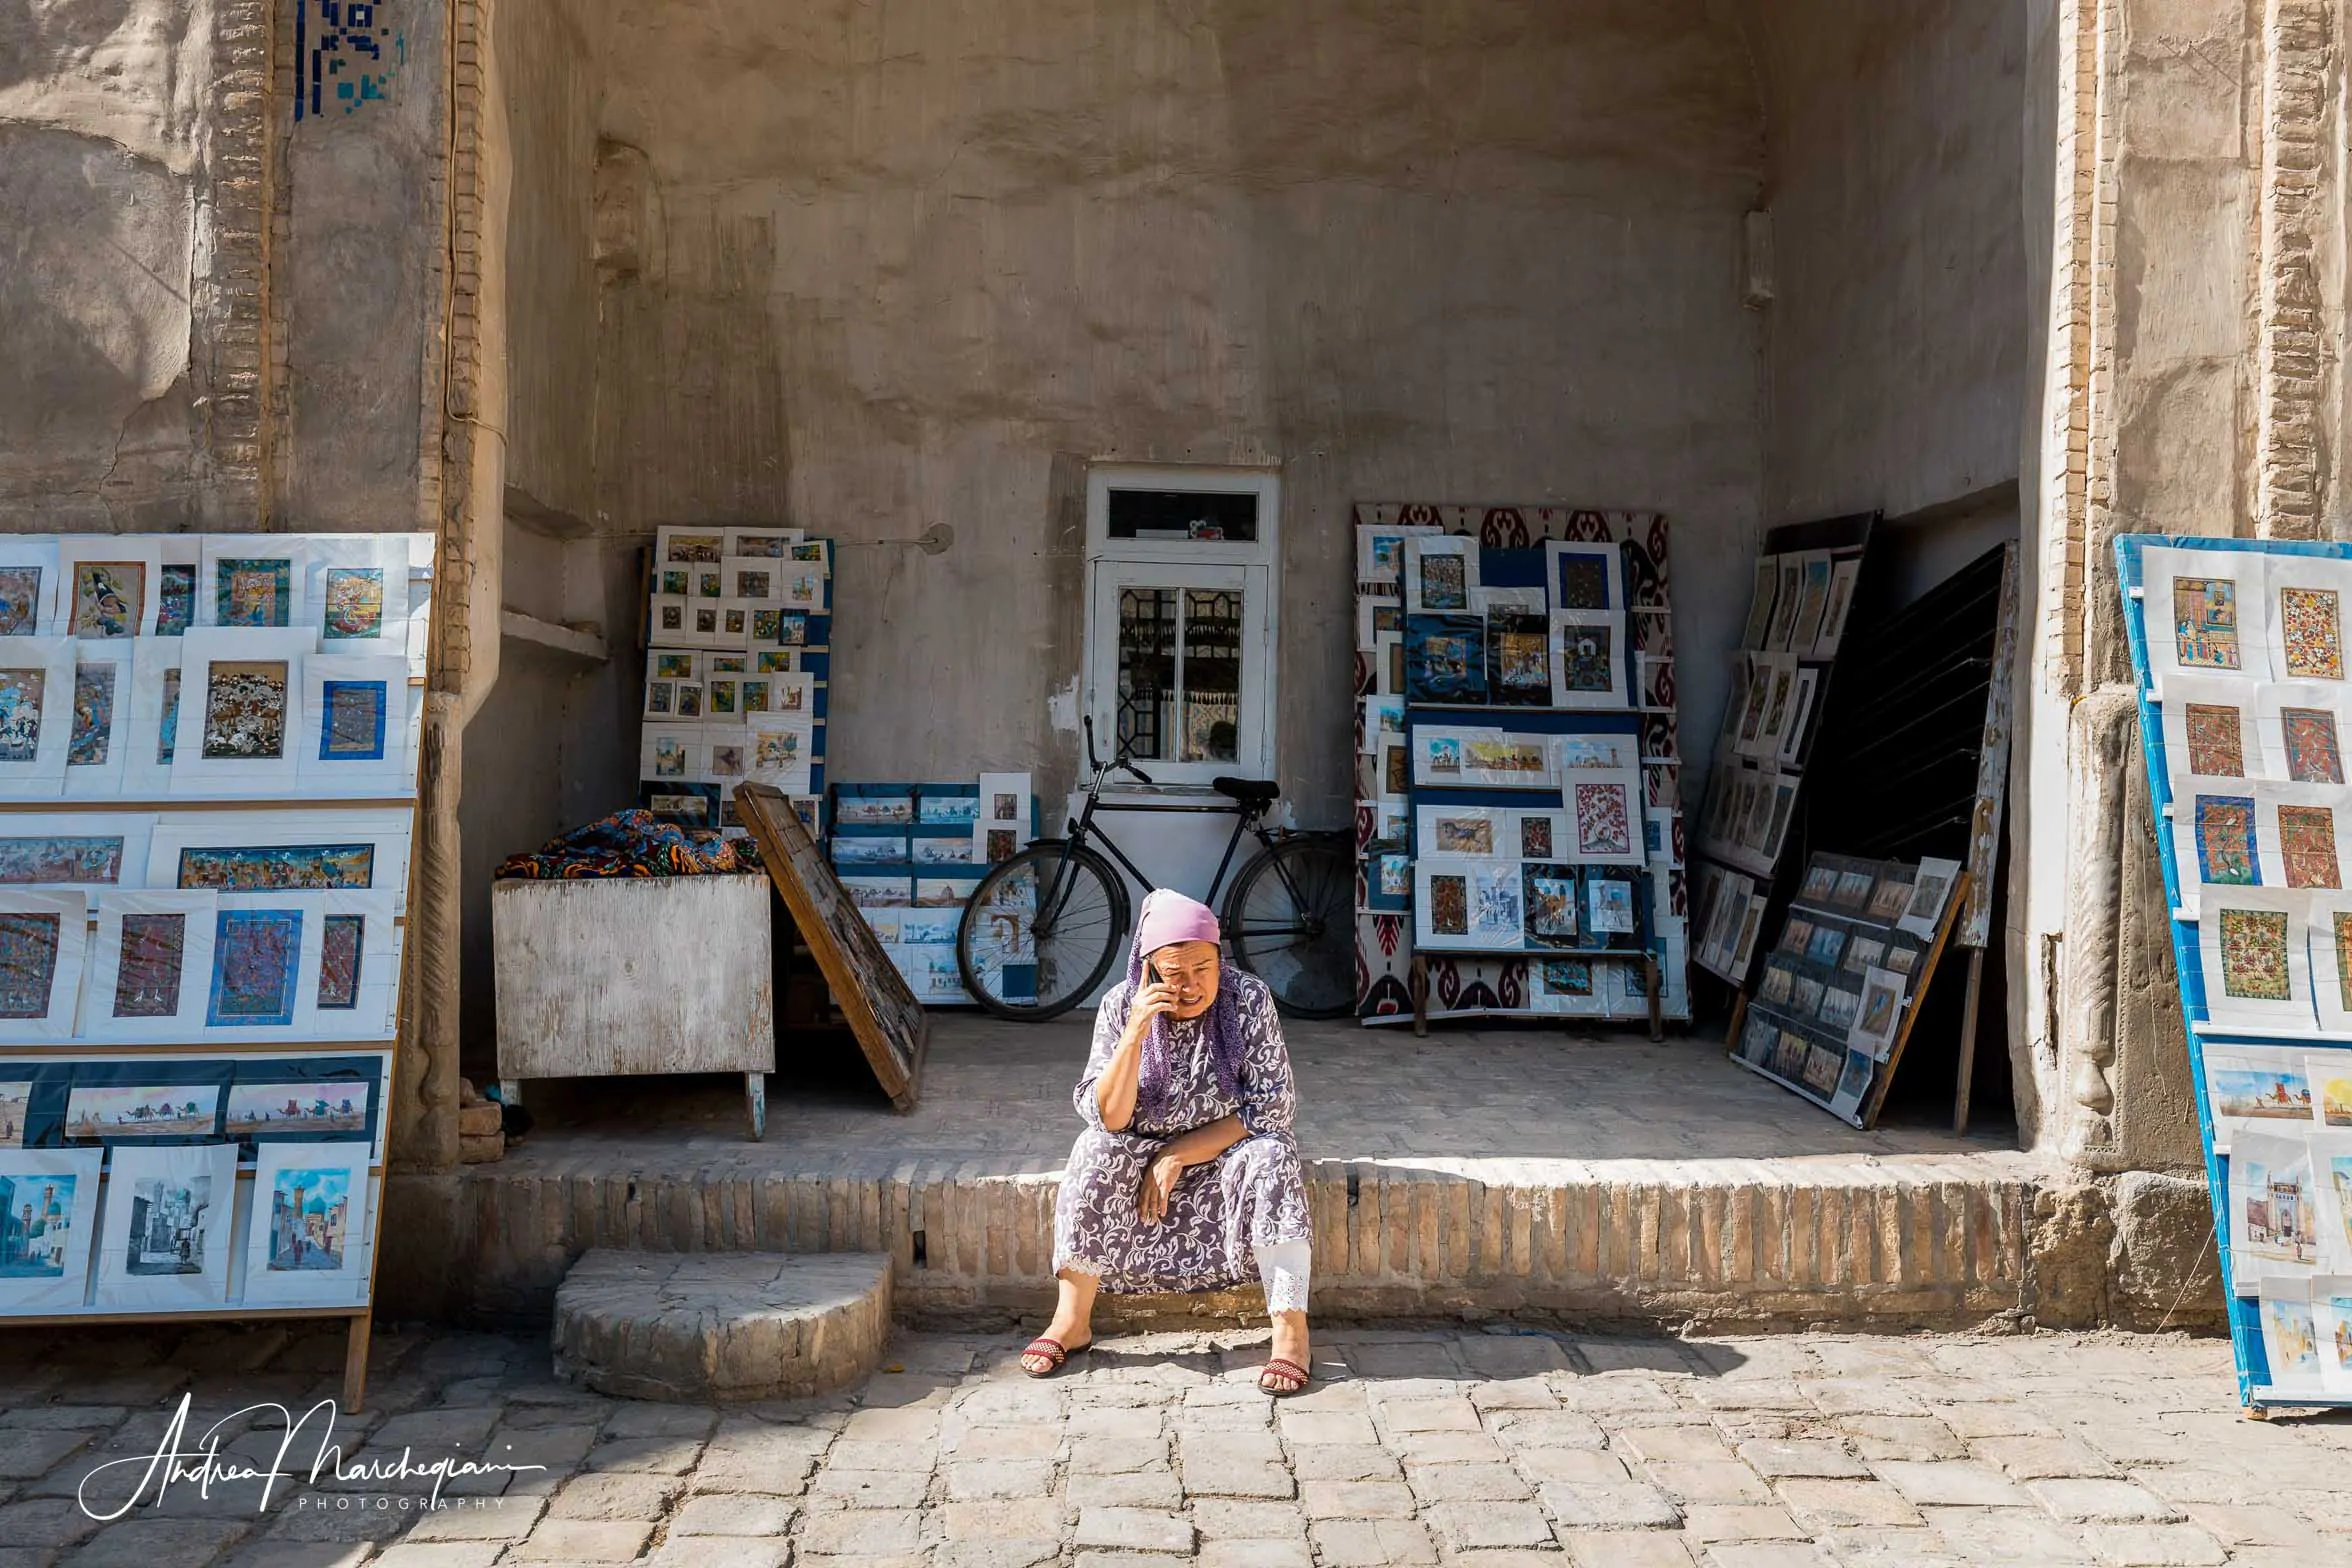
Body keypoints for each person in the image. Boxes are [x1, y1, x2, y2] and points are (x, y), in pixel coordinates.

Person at [1020, 889, 1316, 1394]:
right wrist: (1135, 1033)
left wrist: (1177, 1152)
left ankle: (1291, 1335)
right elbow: (1109, 1117)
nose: (1191, 985)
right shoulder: (1120, 1005)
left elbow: (1271, 1107)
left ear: (1219, 958)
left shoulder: (1248, 999)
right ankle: (1072, 1321)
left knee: (1273, 1157)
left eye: (1203, 968)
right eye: (1174, 974)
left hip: (1226, 1157)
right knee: (1092, 1149)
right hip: (1141, 1165)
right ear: (1150, 970)